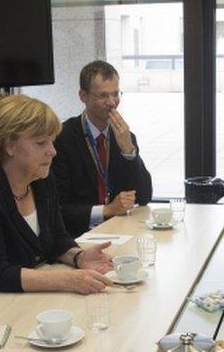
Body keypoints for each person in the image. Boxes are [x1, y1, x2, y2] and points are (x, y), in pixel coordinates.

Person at [0, 95, 114, 320]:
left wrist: (80, 257)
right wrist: (68, 280)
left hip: (17, 301)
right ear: (10, 145)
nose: (52, 151)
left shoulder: (41, 178)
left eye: (52, 141)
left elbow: (57, 239)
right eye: (41, 143)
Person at [51, 60, 153, 237]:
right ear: (83, 96)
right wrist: (106, 210)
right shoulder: (62, 138)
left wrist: (129, 152)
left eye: (115, 94)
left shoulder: (123, 136)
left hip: (119, 230)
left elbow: (145, 196)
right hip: (78, 235)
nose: (112, 102)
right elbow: (58, 208)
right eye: (103, 96)